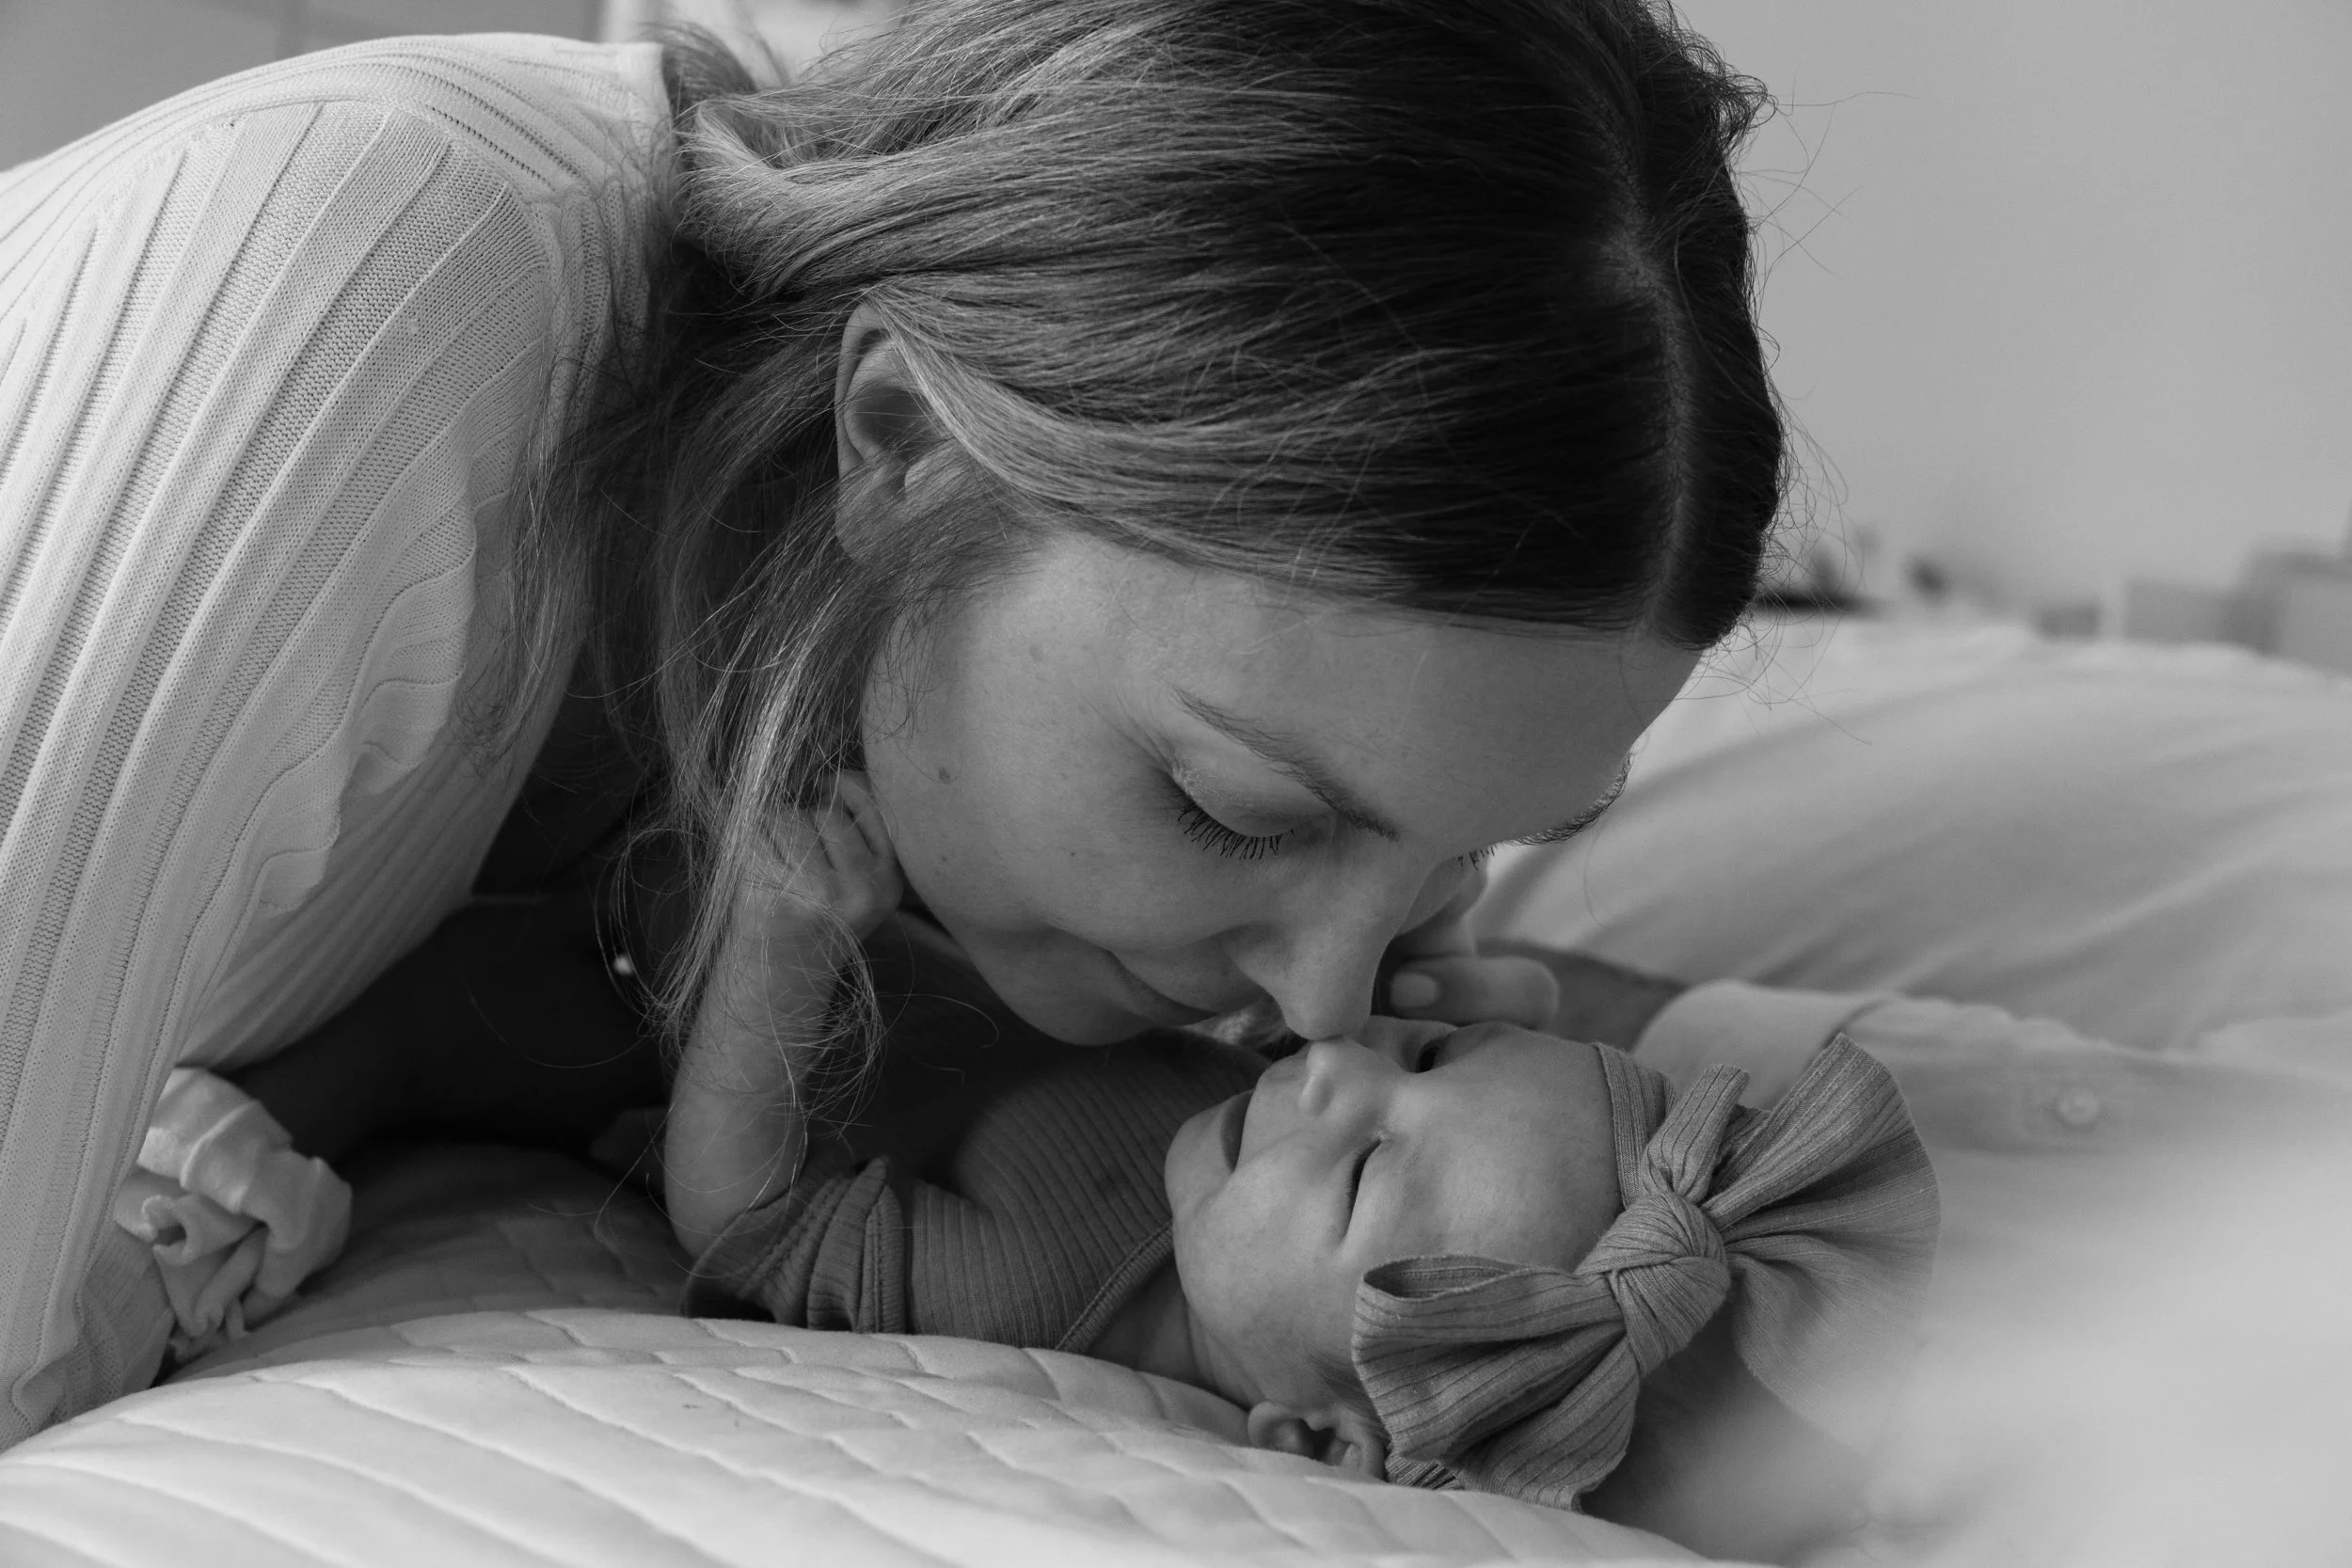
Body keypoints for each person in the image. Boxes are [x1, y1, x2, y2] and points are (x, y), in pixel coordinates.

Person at [0, 0, 1784, 1446]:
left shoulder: (900, 721)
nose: (1327, 1009)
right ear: (905, 451)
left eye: (1460, 853)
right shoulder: (354, 290)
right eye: (1236, 807)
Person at [674, 940, 1938, 1560]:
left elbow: (741, 1216)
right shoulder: (1242, 1182)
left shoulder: (1024, 1287)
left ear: (1320, 1439)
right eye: (1427, 1064)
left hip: (649, 998)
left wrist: (774, 944)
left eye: (1369, 1162)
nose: (1333, 1065)